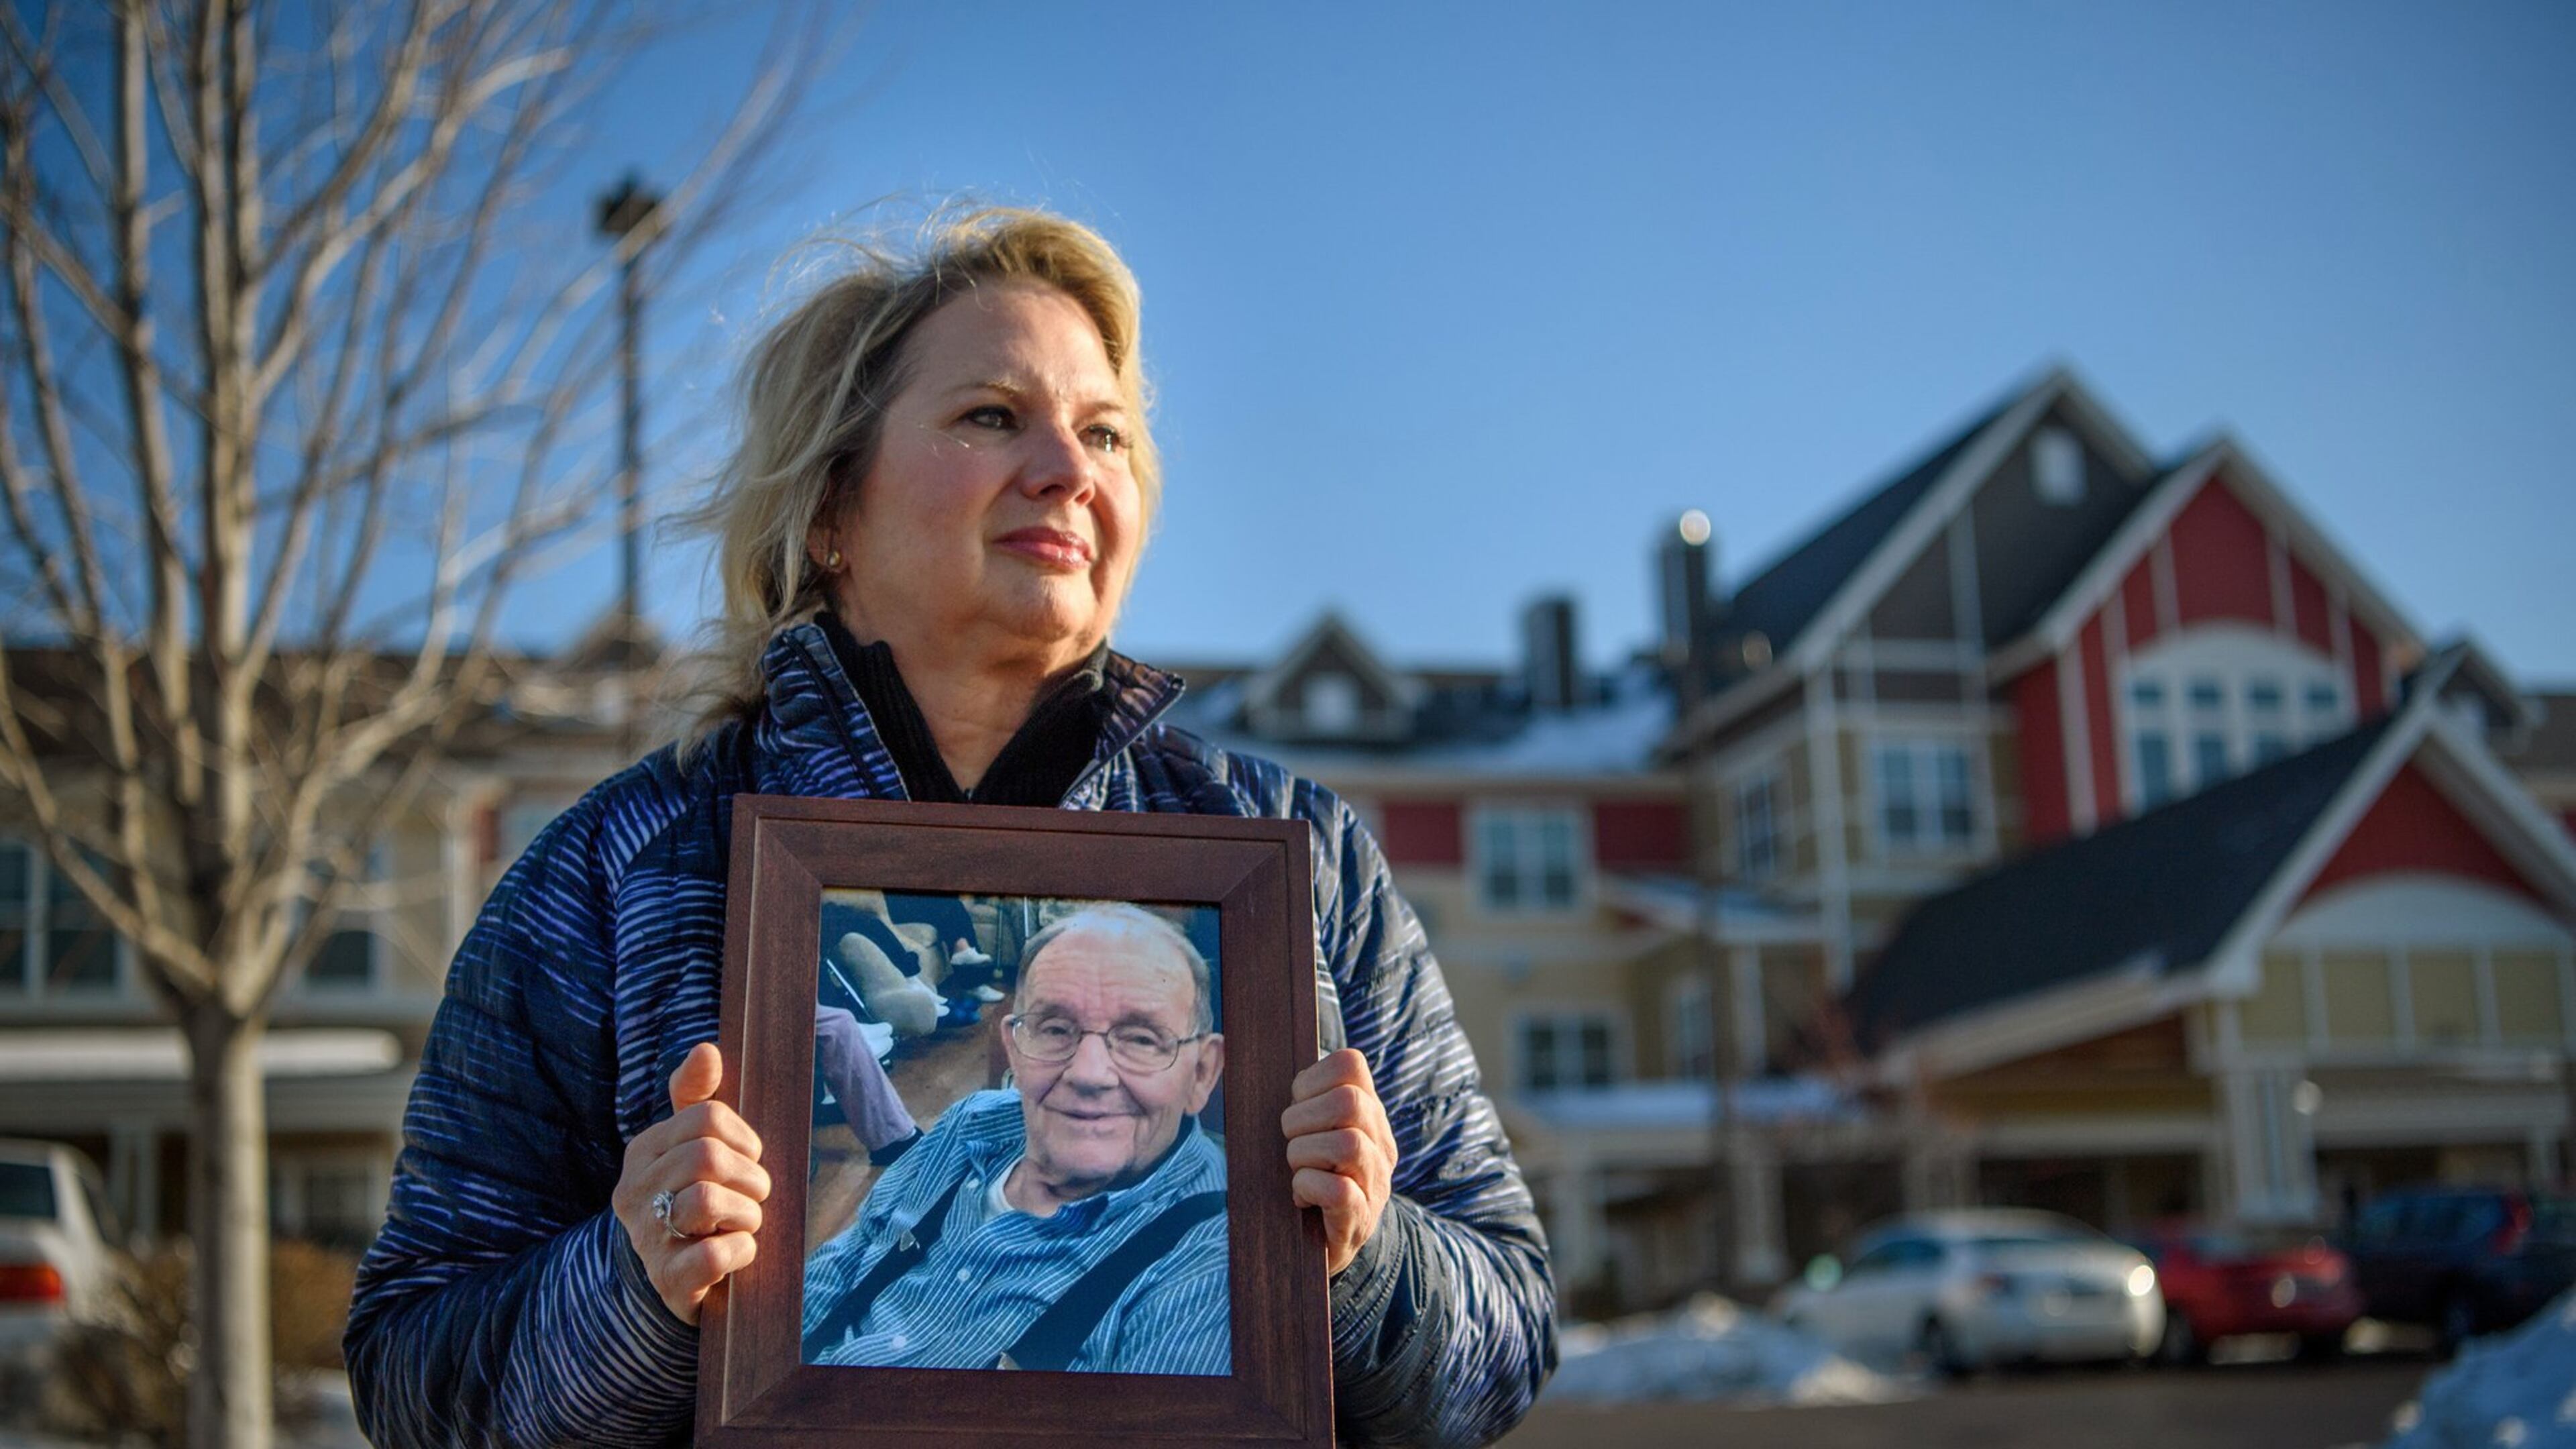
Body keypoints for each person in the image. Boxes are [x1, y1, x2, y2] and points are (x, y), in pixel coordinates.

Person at [344, 208, 1556, 1448]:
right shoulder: (613, 874)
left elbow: (1507, 1334)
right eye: (991, 416)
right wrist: (632, 1285)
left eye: (1104, 433)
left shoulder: (1300, 862)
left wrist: (1365, 1255)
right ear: (830, 512)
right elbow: (411, 1380)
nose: (1067, 469)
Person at [801, 904, 1228, 1374]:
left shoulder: (1214, 1256)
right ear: (1015, 1049)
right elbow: (846, 1260)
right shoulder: (970, 1122)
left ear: (1202, 1073)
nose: (1088, 1073)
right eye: (1056, 1029)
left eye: (1142, 1039)